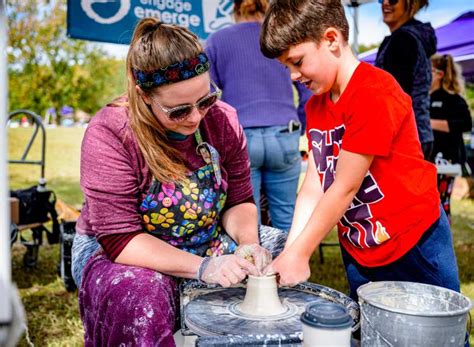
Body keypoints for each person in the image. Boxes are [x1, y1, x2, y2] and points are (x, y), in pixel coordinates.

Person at [71, 18, 286, 346]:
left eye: (205, 100)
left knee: (276, 252)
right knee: (140, 291)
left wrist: (246, 243)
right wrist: (204, 267)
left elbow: (239, 199)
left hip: (205, 235)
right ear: (143, 95)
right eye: (178, 110)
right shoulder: (110, 133)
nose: (196, 117)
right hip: (121, 250)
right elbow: (119, 239)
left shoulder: (223, 120)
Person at [259, 0, 460, 301]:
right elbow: (314, 186)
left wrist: (302, 253)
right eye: (286, 66)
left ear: (330, 40)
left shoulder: (373, 93)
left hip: (412, 244)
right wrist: (291, 250)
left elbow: (344, 186)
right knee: (369, 329)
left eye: (297, 62)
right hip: (360, 246)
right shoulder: (316, 106)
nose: (293, 75)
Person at [205, 0, 312, 231]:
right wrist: (301, 126)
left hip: (240, 138)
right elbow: (306, 90)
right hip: (285, 134)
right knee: (286, 214)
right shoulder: (282, 38)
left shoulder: (217, 40)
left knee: (247, 219)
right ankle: (291, 264)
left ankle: (255, 268)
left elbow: (208, 97)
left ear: (235, 9)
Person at [375, 0, 436, 160]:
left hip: (404, 140)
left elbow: (395, 98)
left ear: (411, 3)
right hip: (419, 134)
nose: (385, 3)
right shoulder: (414, 37)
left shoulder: (402, 40)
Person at [429, 53, 472, 220]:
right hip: (428, 159)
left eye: (429, 70)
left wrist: (428, 123)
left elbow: (465, 124)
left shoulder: (453, 99)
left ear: (439, 74)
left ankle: (441, 239)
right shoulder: (423, 98)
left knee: (441, 202)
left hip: (447, 160)